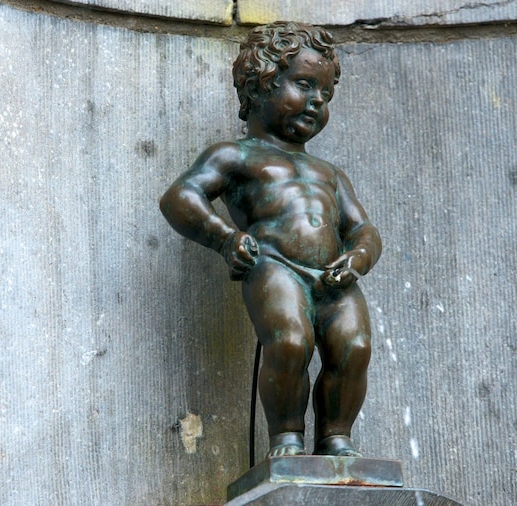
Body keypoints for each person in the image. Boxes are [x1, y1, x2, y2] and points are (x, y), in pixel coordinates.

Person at [159, 21, 382, 458]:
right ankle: (286, 436)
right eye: (304, 85)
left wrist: (358, 257)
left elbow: (364, 229)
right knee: (291, 340)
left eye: (325, 94)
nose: (316, 101)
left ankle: (336, 435)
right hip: (275, 265)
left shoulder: (330, 174)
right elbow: (180, 197)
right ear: (259, 85)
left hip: (336, 276)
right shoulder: (235, 155)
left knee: (354, 347)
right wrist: (225, 239)